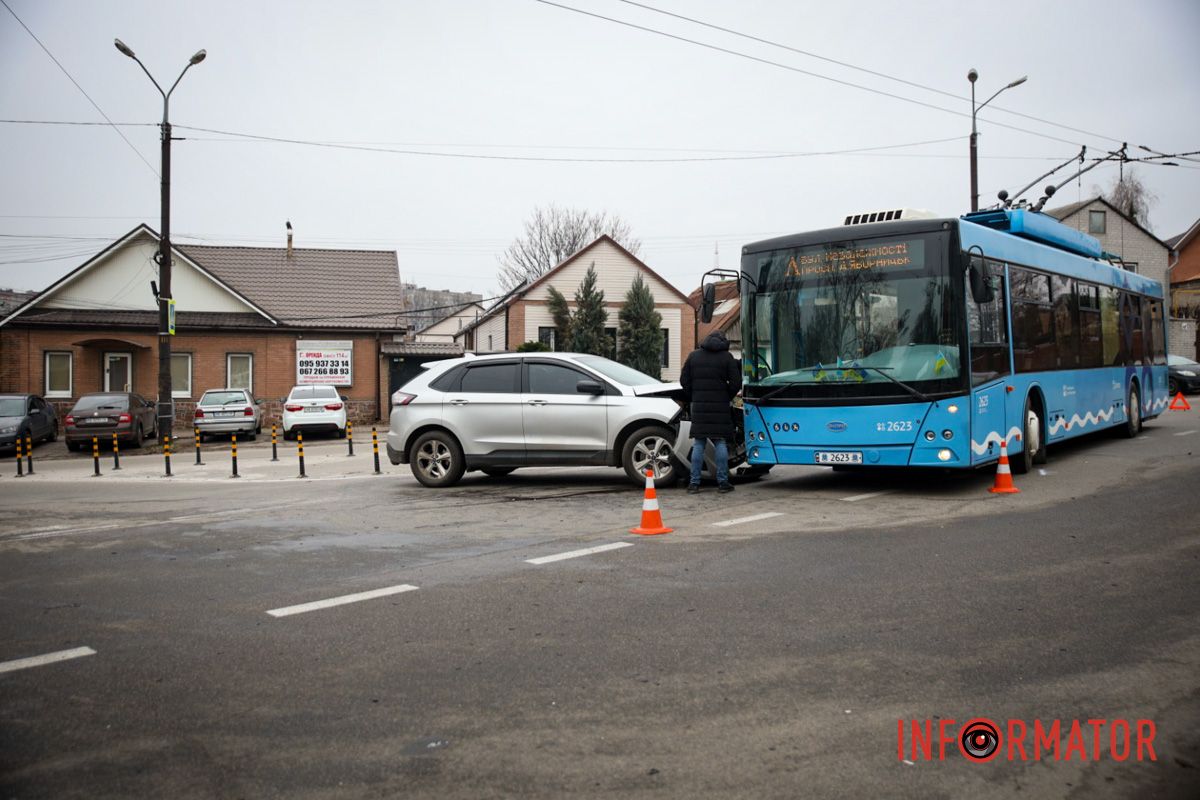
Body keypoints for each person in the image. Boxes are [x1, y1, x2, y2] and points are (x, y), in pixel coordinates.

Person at [680, 330, 742, 493]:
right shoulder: (726, 357)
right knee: (720, 442)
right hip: (720, 406)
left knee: (699, 443)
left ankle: (694, 483)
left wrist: (694, 395)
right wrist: (726, 395)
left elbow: (683, 380)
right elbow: (736, 382)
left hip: (699, 406)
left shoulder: (694, 356)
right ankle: (722, 482)